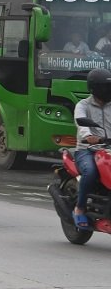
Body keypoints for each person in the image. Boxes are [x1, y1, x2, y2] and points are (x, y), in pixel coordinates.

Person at [72, 68, 111, 229]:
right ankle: (80, 208)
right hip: (87, 149)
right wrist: (88, 136)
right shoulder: (83, 105)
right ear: (95, 88)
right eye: (106, 87)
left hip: (108, 149)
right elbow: (81, 123)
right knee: (90, 172)